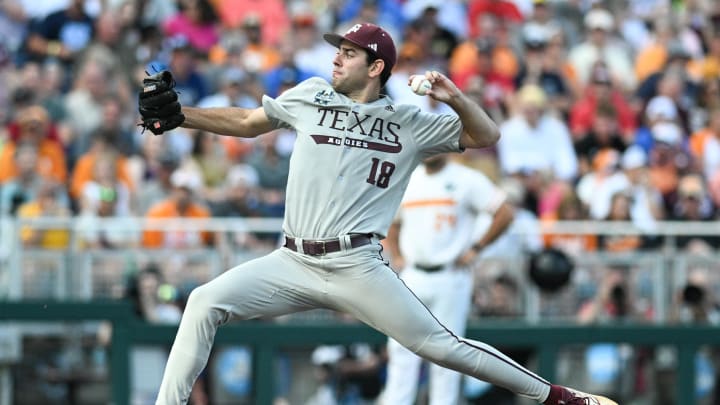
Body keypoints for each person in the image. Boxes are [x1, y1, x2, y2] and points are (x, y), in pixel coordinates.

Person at [142, 22, 617, 405]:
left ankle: (555, 397)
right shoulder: (310, 95)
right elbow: (247, 122)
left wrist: (454, 97)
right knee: (204, 301)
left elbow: (486, 136)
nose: (336, 57)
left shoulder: (408, 124)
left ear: (375, 67)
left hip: (357, 264)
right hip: (292, 260)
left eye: (348, 52)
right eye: (338, 49)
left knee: (442, 347)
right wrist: (184, 116)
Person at [381, 152, 515, 405]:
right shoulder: (407, 178)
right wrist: (397, 255)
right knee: (401, 351)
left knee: (447, 355)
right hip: (413, 275)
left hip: (450, 275)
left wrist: (476, 248)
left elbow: (504, 213)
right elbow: (394, 222)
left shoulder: (467, 179)